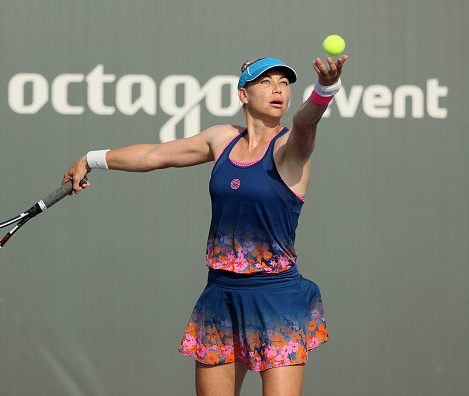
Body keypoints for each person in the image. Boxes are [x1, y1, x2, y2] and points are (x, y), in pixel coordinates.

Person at [63, 54, 348, 396]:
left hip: (277, 299)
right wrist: (90, 158)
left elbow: (305, 123)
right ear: (244, 94)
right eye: (266, 82)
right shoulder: (221, 138)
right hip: (221, 297)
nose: (278, 90)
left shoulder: (290, 147)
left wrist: (326, 87)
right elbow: (156, 155)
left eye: (285, 83)